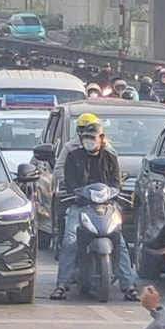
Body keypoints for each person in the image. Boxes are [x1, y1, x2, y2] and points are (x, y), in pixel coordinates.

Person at [52, 115, 138, 301]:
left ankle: (129, 286)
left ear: (102, 139)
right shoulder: (73, 155)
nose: (90, 141)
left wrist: (112, 193)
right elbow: (69, 180)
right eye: (86, 138)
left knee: (120, 243)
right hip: (80, 205)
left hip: (107, 206)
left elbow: (116, 182)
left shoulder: (110, 156)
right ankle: (62, 284)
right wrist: (78, 192)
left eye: (94, 137)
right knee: (70, 240)